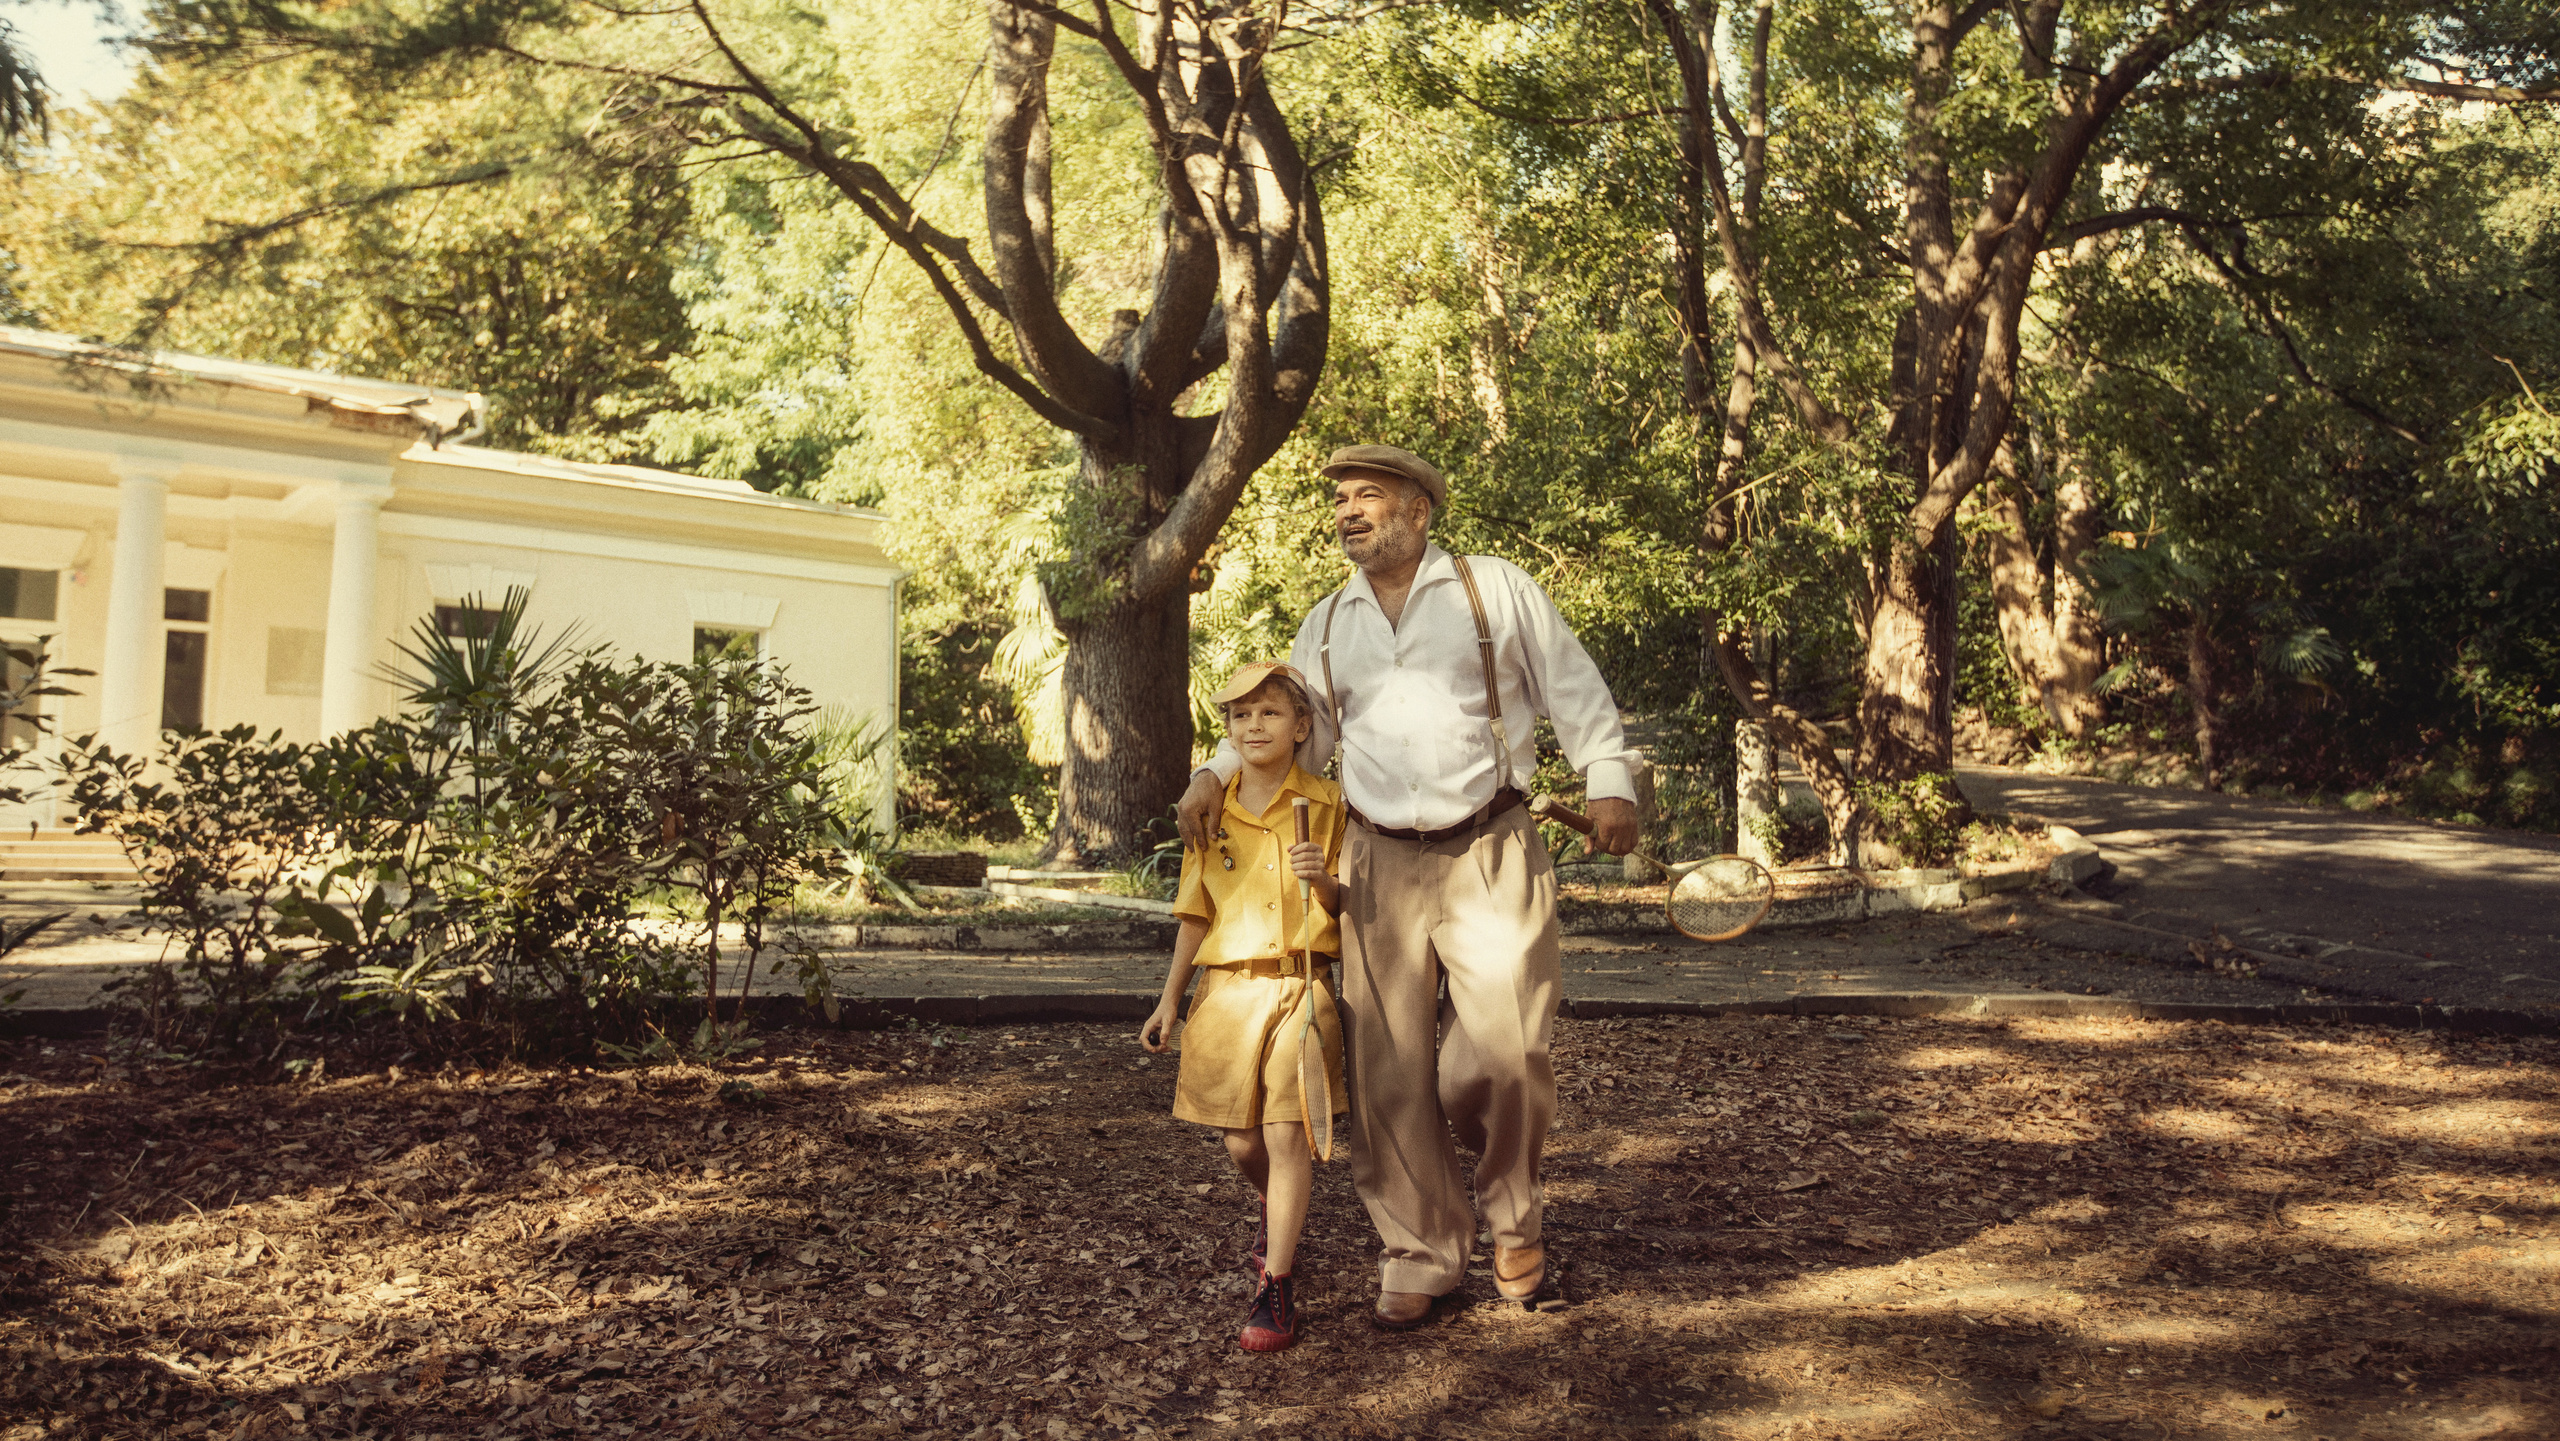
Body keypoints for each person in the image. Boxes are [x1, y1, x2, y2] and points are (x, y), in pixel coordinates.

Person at [1175, 443, 1639, 1331]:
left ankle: (1514, 1220)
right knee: (1388, 1071)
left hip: (1490, 844)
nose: (1348, 511)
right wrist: (1213, 770)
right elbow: (1292, 732)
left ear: (1419, 511)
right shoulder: (1329, 622)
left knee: (1503, 1053)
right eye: (1340, 500)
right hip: (1375, 861)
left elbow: (1574, 686)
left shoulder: (1490, 589)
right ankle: (1421, 1248)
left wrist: (1608, 778)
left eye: (1368, 496)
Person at [1140, 661, 1348, 1353]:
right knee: (1242, 1141)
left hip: (1300, 985)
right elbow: (1194, 913)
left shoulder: (1329, 804)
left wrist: (1325, 885)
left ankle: (1276, 1285)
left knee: (1287, 1135)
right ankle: (1275, 1205)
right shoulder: (1210, 810)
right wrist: (1169, 1001)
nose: (1254, 725)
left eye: (1269, 712)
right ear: (1227, 730)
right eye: (1240, 715)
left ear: (1302, 726)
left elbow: (1351, 907)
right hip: (1227, 991)